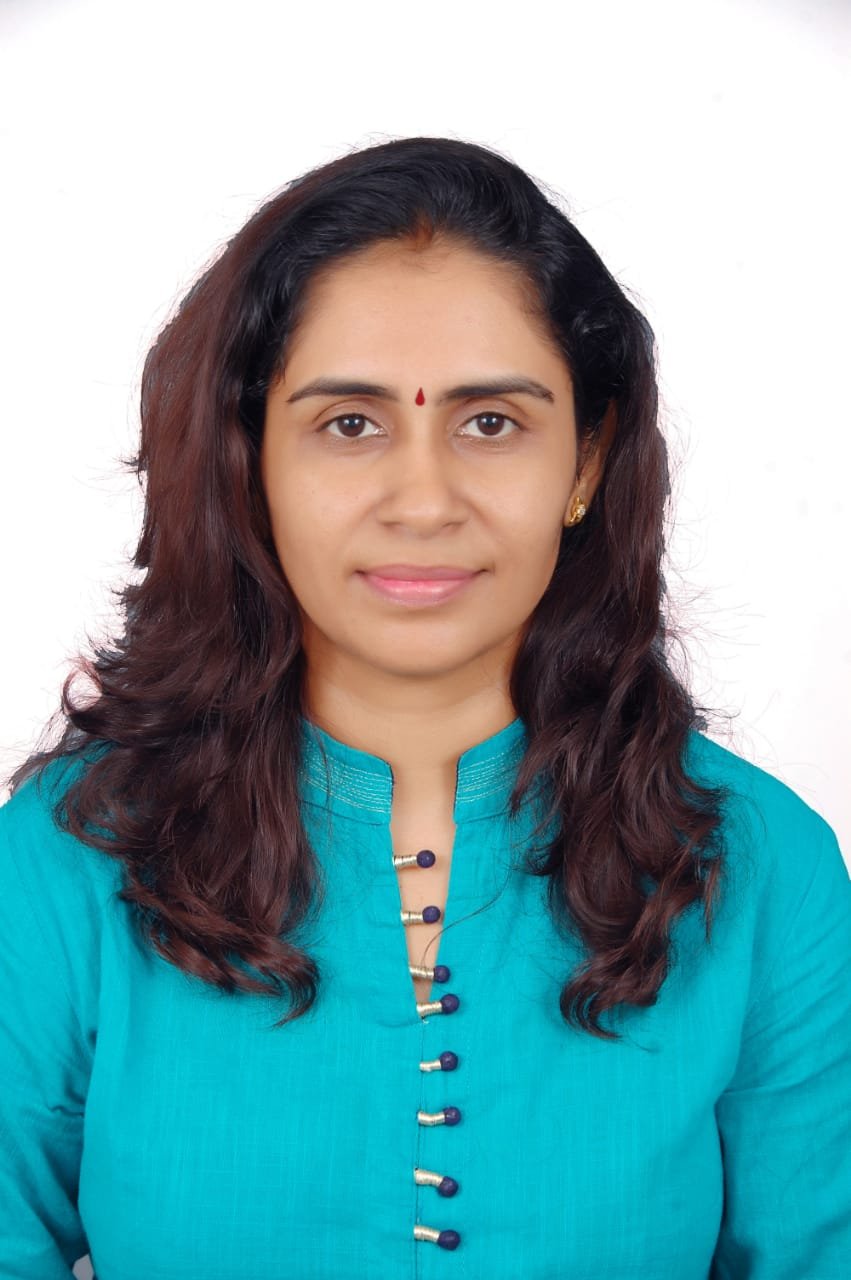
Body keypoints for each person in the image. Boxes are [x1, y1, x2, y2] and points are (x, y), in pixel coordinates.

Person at [1, 136, 849, 1280]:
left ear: (584, 461)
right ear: (251, 462)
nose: (422, 501)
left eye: (489, 421)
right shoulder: (64, 861)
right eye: (349, 423)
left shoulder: (759, 865)